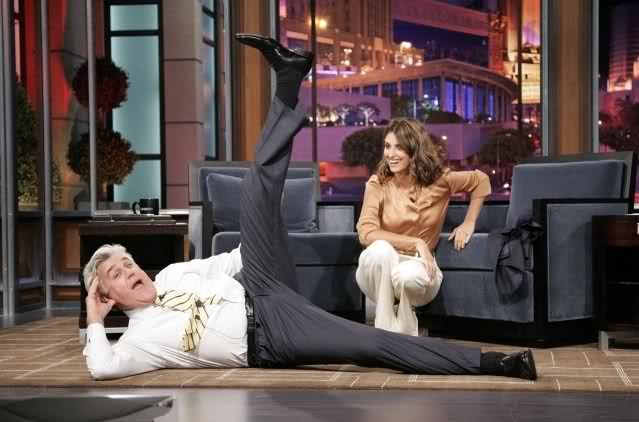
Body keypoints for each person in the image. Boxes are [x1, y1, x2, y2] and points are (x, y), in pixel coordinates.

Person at [83, 33, 536, 382]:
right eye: (117, 274)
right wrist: (95, 319)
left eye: (127, 262)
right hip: (272, 335)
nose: (130, 270)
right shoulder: (139, 341)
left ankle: (288, 77)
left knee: (254, 188)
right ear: (108, 297)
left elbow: (228, 262)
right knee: (373, 346)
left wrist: (263, 230)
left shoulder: (170, 276)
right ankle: (494, 363)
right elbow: (101, 368)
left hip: (259, 283)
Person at [356, 119, 491, 336]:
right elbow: (366, 233)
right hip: (377, 269)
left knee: (406, 277)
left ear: (414, 150)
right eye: (388, 146)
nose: (390, 154)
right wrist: (416, 242)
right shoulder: (378, 183)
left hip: (418, 267)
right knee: (381, 250)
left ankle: (392, 338)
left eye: (399, 147)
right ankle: (390, 337)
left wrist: (469, 222)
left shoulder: (439, 181)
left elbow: (481, 181)